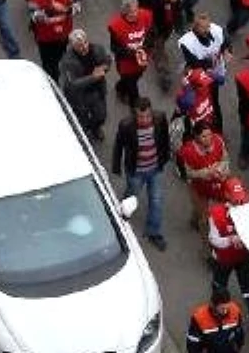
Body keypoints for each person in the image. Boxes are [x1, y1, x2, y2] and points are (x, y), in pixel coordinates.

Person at [112, 93, 170, 249]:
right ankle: (121, 214)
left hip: (155, 168)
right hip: (136, 171)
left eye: (147, 116)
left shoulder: (160, 119)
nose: (145, 120)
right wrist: (116, 166)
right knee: (132, 196)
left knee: (156, 201)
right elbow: (119, 146)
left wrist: (165, 158)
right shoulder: (126, 126)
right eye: (140, 117)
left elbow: (165, 139)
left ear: (152, 113)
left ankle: (153, 232)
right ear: (134, 115)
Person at [207, 177, 249, 323]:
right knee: (219, 289)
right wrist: (231, 240)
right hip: (222, 260)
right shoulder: (216, 214)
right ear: (227, 195)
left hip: (243, 257)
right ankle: (217, 315)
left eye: (241, 198)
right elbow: (214, 240)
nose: (239, 202)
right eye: (235, 198)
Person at [59, 28, 111, 140]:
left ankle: (95, 128)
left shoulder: (97, 49)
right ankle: (85, 133)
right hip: (80, 96)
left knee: (101, 116)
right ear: (73, 46)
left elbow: (107, 59)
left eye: (85, 43)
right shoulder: (68, 61)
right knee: (82, 119)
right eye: (79, 46)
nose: (84, 47)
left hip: (97, 91)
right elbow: (72, 84)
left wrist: (105, 67)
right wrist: (93, 77)